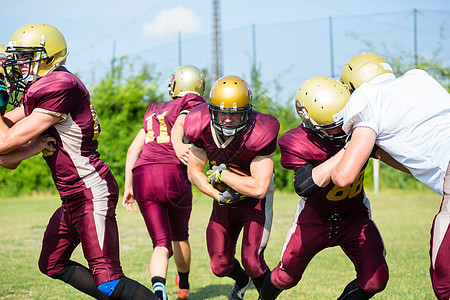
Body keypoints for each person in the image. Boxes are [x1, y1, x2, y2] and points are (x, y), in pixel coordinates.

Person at [0, 23, 157, 300]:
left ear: (49, 55)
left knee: (108, 279)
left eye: (27, 56)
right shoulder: (40, 88)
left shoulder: (60, 84)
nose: (20, 64)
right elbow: (6, 157)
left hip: (90, 190)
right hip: (72, 196)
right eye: (19, 57)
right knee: (52, 263)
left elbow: (4, 141)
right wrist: (33, 147)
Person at [331, 52, 450, 300]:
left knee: (445, 280)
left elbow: (344, 177)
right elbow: (417, 162)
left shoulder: (366, 98)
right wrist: (377, 152)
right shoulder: (419, 78)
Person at [258, 76, 388, 300]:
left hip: (355, 216)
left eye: (346, 119)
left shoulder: (362, 123)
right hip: (314, 219)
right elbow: (304, 186)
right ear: (312, 124)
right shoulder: (298, 141)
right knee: (285, 277)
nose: (344, 127)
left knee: (375, 279)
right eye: (334, 126)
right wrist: (347, 150)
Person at [185, 75, 279, 300]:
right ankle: (241, 281)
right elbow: (194, 172)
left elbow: (259, 188)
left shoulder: (261, 130)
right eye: (222, 112)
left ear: (247, 111)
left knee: (253, 262)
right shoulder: (199, 124)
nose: (227, 119)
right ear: (211, 110)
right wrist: (218, 196)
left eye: (235, 112)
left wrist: (223, 174)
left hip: (255, 203)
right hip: (224, 199)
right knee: (219, 265)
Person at [122, 64, 206, 300]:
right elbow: (181, 122)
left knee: (161, 243)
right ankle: (184, 283)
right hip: (172, 173)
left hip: (142, 175)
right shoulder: (190, 102)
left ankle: (159, 291)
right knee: (179, 235)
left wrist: (128, 187)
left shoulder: (153, 109)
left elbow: (132, 150)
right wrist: (178, 144)